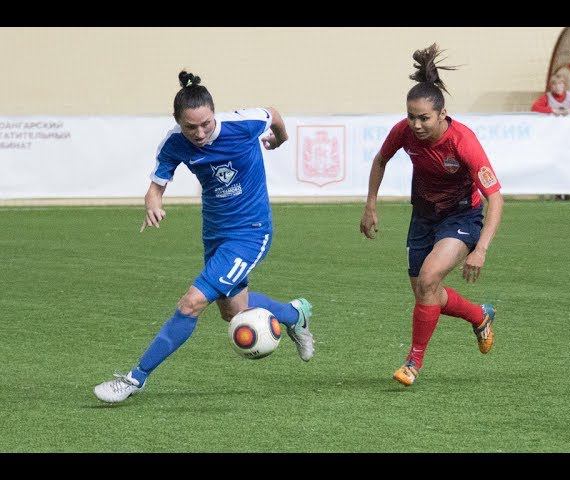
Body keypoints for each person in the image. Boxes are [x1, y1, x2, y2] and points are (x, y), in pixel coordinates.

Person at [94, 71, 315, 403]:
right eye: (190, 127)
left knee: (192, 302)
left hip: (251, 232)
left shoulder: (244, 124)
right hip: (214, 233)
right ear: (178, 122)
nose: (200, 133)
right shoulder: (174, 143)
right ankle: (295, 315)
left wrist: (279, 140)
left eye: (206, 124)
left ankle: (134, 379)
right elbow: (156, 187)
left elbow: (274, 114)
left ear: (214, 114)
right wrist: (153, 204)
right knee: (234, 311)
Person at [359, 44, 504, 387]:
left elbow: (496, 199)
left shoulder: (463, 142)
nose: (416, 124)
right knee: (427, 293)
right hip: (423, 217)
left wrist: (481, 249)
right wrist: (370, 204)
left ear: (441, 114)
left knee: (428, 281)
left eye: (424, 117)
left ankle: (413, 362)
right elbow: (380, 159)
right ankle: (479, 315)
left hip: (462, 217)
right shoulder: (403, 132)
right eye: (411, 116)